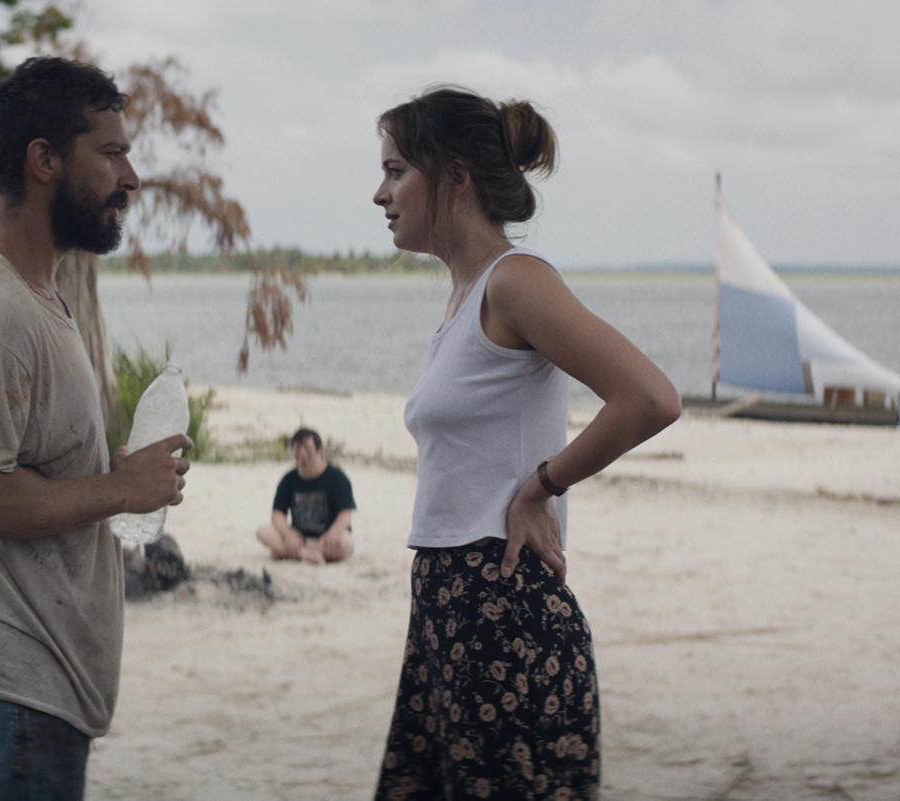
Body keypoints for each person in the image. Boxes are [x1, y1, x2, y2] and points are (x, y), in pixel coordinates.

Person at [370, 87, 680, 799]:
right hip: (449, 616)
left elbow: (650, 397)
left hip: (503, 619)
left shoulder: (516, 281)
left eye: (395, 171)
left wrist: (542, 485)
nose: (380, 193)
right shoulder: (465, 297)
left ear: (455, 177)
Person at [0, 57, 191, 800]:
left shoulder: (35, 296)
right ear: (44, 160)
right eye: (111, 153)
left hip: (29, 701)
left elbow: (17, 469)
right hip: (5, 701)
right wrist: (119, 490)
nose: (131, 177)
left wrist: (116, 478)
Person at [256, 427, 355, 565]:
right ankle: (307, 554)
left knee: (346, 542)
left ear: (319, 450)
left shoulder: (337, 478)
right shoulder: (288, 479)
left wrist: (333, 533)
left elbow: (345, 514)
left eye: (307, 449)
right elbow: (277, 514)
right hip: (298, 538)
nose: (302, 454)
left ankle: (292, 553)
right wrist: (288, 534)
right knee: (262, 532)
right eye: (298, 449)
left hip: (325, 538)